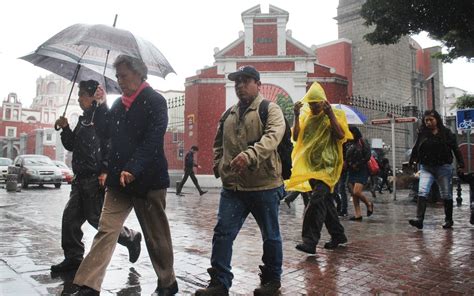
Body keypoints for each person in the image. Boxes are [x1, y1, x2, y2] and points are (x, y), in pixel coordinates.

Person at [72, 56, 178, 296]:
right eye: (117, 76)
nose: (120, 81)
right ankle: (89, 284)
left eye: (124, 75)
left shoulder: (155, 101)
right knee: (106, 230)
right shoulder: (119, 103)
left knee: (156, 236)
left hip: (148, 180)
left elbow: (153, 140)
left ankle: (167, 282)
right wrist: (100, 105)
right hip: (119, 182)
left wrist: (134, 167)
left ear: (139, 74)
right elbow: (106, 131)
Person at [195, 66, 286, 296]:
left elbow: (273, 136)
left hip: (264, 185)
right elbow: (218, 144)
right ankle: (219, 283)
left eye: (246, 81)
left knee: (271, 235)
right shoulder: (228, 114)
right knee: (223, 233)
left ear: (258, 84)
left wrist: (250, 155)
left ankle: (271, 281)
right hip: (233, 187)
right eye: (237, 82)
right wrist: (219, 166)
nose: (240, 86)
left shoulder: (270, 109)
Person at [51, 80, 142, 274]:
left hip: (94, 178)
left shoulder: (103, 117)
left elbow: (111, 144)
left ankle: (131, 237)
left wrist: (105, 170)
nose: (79, 98)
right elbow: (71, 145)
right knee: (70, 220)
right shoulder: (84, 120)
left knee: (97, 219)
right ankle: (73, 259)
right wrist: (66, 128)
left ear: (93, 96)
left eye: (83, 94)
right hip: (79, 178)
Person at [285, 82, 352, 255]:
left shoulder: (334, 114)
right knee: (326, 203)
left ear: (323, 102)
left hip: (328, 168)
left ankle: (310, 241)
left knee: (315, 201)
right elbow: (296, 136)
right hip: (312, 168)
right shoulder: (306, 117)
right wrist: (296, 114)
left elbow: (340, 135)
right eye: (311, 103)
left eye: (316, 103)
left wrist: (330, 115)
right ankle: (338, 235)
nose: (313, 106)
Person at [408, 109, 464, 229]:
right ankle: (419, 219)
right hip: (426, 167)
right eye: (426, 120)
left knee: (446, 194)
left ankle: (448, 220)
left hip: (443, 167)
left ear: (437, 120)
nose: (428, 122)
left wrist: (461, 163)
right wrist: (412, 160)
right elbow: (417, 147)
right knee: (422, 191)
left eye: (431, 120)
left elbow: (455, 148)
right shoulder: (422, 133)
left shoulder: (446, 133)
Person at [345, 126, 374, 221]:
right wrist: (349, 164)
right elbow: (343, 155)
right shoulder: (346, 142)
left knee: (356, 191)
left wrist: (358, 164)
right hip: (351, 169)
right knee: (354, 194)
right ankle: (358, 215)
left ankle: (368, 204)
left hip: (361, 169)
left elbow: (367, 155)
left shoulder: (362, 142)